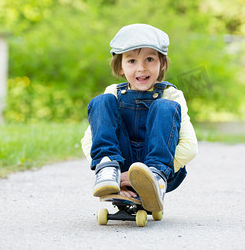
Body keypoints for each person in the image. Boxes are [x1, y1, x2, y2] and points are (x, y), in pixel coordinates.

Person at [81, 23, 198, 213]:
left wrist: (141, 177)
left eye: (150, 59)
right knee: (101, 101)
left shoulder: (171, 95)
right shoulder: (114, 93)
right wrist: (120, 176)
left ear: (162, 64)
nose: (141, 68)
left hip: (161, 168)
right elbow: (89, 141)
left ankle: (153, 179)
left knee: (164, 107)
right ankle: (107, 171)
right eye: (132, 61)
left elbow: (190, 148)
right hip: (119, 165)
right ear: (120, 66)